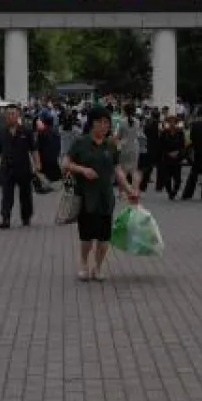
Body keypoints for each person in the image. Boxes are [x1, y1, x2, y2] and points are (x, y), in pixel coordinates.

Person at [61, 105, 139, 281]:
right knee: (87, 237)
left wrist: (129, 190)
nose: (104, 126)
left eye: (107, 122)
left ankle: (98, 267)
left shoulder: (111, 145)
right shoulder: (80, 143)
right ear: (92, 123)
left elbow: (118, 170)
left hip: (105, 197)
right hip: (86, 197)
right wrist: (82, 169)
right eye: (100, 122)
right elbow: (65, 164)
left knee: (104, 238)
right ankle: (83, 264)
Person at [0, 104, 40, 230]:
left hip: (23, 168)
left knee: (25, 195)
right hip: (7, 168)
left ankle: (26, 217)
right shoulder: (1, 132)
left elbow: (34, 149)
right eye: (8, 114)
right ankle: (5, 218)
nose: (10, 116)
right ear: (5, 116)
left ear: (18, 115)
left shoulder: (26, 131)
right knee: (6, 195)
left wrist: (37, 165)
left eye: (13, 114)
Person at [181, 105, 202, 201]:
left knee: (194, 173)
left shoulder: (195, 125)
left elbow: (192, 138)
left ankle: (187, 193)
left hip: (198, 151)